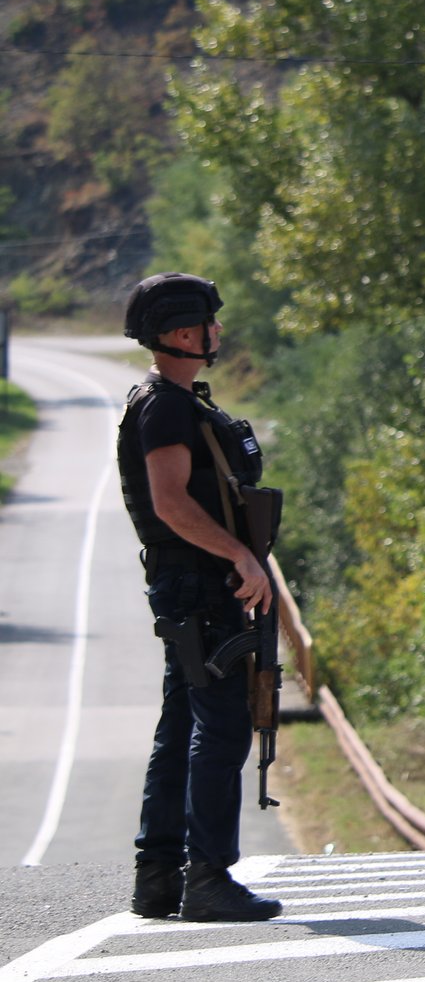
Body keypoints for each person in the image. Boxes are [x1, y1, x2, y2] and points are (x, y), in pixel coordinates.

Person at [115, 273, 283, 922]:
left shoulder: (173, 401)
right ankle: (208, 875)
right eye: (209, 322)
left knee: (183, 721)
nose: (217, 330)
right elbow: (170, 501)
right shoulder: (165, 407)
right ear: (183, 332)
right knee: (220, 724)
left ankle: (159, 878)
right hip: (197, 582)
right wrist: (239, 555)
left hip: (189, 581)